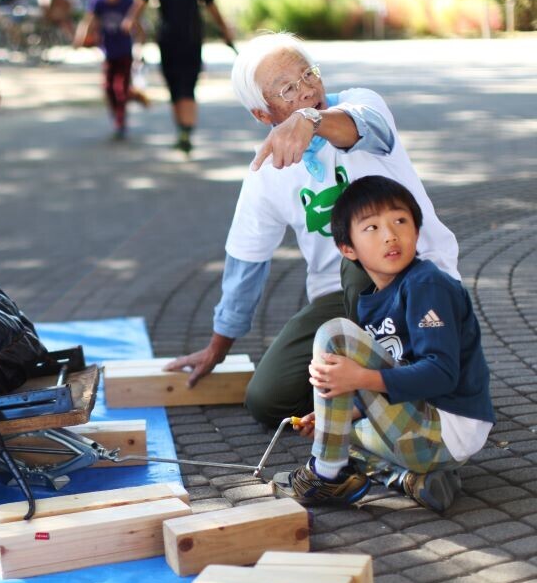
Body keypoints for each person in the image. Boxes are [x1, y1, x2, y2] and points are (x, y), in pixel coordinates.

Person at [164, 32, 461, 430]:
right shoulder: (265, 173)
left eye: (308, 75)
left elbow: (364, 127)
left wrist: (311, 121)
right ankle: (395, 381)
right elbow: (246, 263)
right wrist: (217, 348)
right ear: (261, 113)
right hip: (340, 300)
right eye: (287, 88)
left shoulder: (363, 105)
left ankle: (425, 367)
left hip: (421, 280)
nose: (306, 90)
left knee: (360, 249)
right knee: (267, 399)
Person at [271, 175, 494, 512]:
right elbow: (398, 376)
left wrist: (359, 379)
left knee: (335, 335)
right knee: (337, 432)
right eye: (372, 228)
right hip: (422, 429)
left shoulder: (426, 284)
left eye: (400, 221)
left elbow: (440, 373)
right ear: (348, 249)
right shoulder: (372, 300)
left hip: (448, 426)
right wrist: (340, 414)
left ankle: (324, 476)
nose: (390, 234)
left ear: (417, 231)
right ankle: (411, 479)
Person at [123, 0, 233, 153]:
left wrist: (224, 29)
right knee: (174, 86)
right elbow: (139, 5)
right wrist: (132, 22)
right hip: (168, 42)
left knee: (188, 86)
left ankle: (186, 131)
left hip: (191, 41)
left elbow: (212, 7)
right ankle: (182, 130)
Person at [73, 0, 136, 139]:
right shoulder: (99, 3)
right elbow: (89, 21)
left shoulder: (128, 2)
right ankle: (117, 117)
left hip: (125, 52)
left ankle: (121, 122)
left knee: (121, 88)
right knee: (109, 88)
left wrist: (141, 45)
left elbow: (136, 23)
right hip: (108, 52)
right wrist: (80, 38)